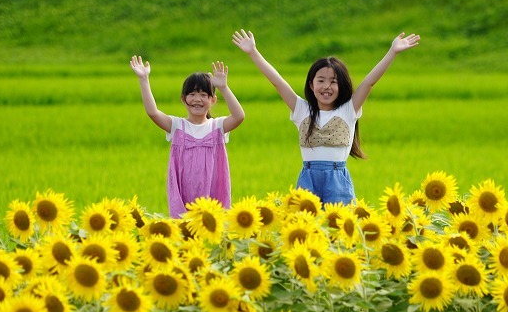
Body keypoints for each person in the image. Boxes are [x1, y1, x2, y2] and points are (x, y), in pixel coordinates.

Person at [232, 29, 419, 205]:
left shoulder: (348, 111)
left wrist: (392, 52)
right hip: (308, 178)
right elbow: (277, 82)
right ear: (311, 85)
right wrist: (253, 53)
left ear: (342, 87)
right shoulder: (302, 111)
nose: (327, 86)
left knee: (338, 231)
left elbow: (369, 82)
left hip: (338, 180)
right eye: (321, 80)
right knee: (307, 229)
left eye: (334, 82)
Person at [130, 56, 245, 218]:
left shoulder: (217, 126)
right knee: (184, 233)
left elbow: (239, 116)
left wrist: (224, 87)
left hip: (213, 197)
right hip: (184, 195)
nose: (197, 99)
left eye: (203, 94)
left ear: (213, 100)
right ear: (183, 99)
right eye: (192, 94)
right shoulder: (177, 126)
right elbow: (153, 112)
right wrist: (143, 79)